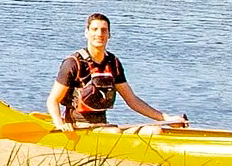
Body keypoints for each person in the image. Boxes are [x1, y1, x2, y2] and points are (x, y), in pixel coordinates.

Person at [50, 12, 185, 131]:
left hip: (103, 126)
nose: (99, 34)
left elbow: (132, 101)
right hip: (79, 126)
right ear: (87, 33)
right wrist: (59, 123)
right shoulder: (73, 63)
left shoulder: (113, 63)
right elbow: (52, 101)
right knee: (115, 132)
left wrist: (165, 118)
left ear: (109, 35)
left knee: (154, 131)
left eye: (104, 30)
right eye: (94, 29)